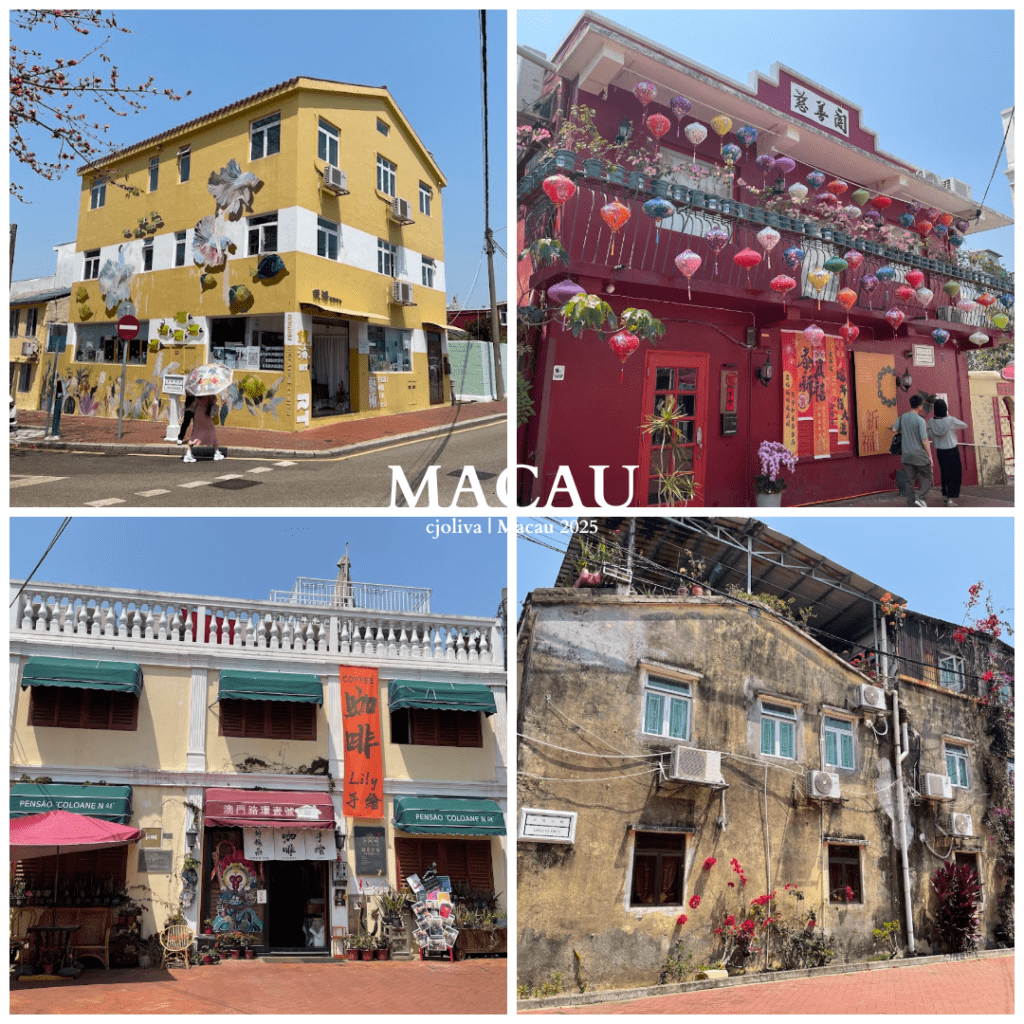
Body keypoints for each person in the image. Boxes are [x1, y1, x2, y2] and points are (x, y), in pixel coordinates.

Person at [927, 398, 968, 506]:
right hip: (952, 450)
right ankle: (950, 499)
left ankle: (945, 495)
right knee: (954, 474)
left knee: (944, 473)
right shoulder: (951, 420)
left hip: (940, 451)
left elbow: (928, 435)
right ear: (945, 409)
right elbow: (964, 425)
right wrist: (953, 428)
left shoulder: (930, 422)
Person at [894, 394, 932, 507]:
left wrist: (905, 430)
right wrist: (930, 456)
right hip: (918, 454)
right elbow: (924, 439)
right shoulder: (920, 420)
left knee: (910, 480)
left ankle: (911, 505)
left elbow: (894, 429)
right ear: (919, 406)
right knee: (927, 476)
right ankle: (921, 498)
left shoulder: (902, 417)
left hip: (906, 454)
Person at [182, 394, 224, 462]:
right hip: (206, 414)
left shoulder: (198, 394)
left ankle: (188, 454)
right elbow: (214, 402)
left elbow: (194, 404)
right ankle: (217, 453)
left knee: (195, 433)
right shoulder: (210, 394)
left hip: (198, 414)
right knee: (211, 432)